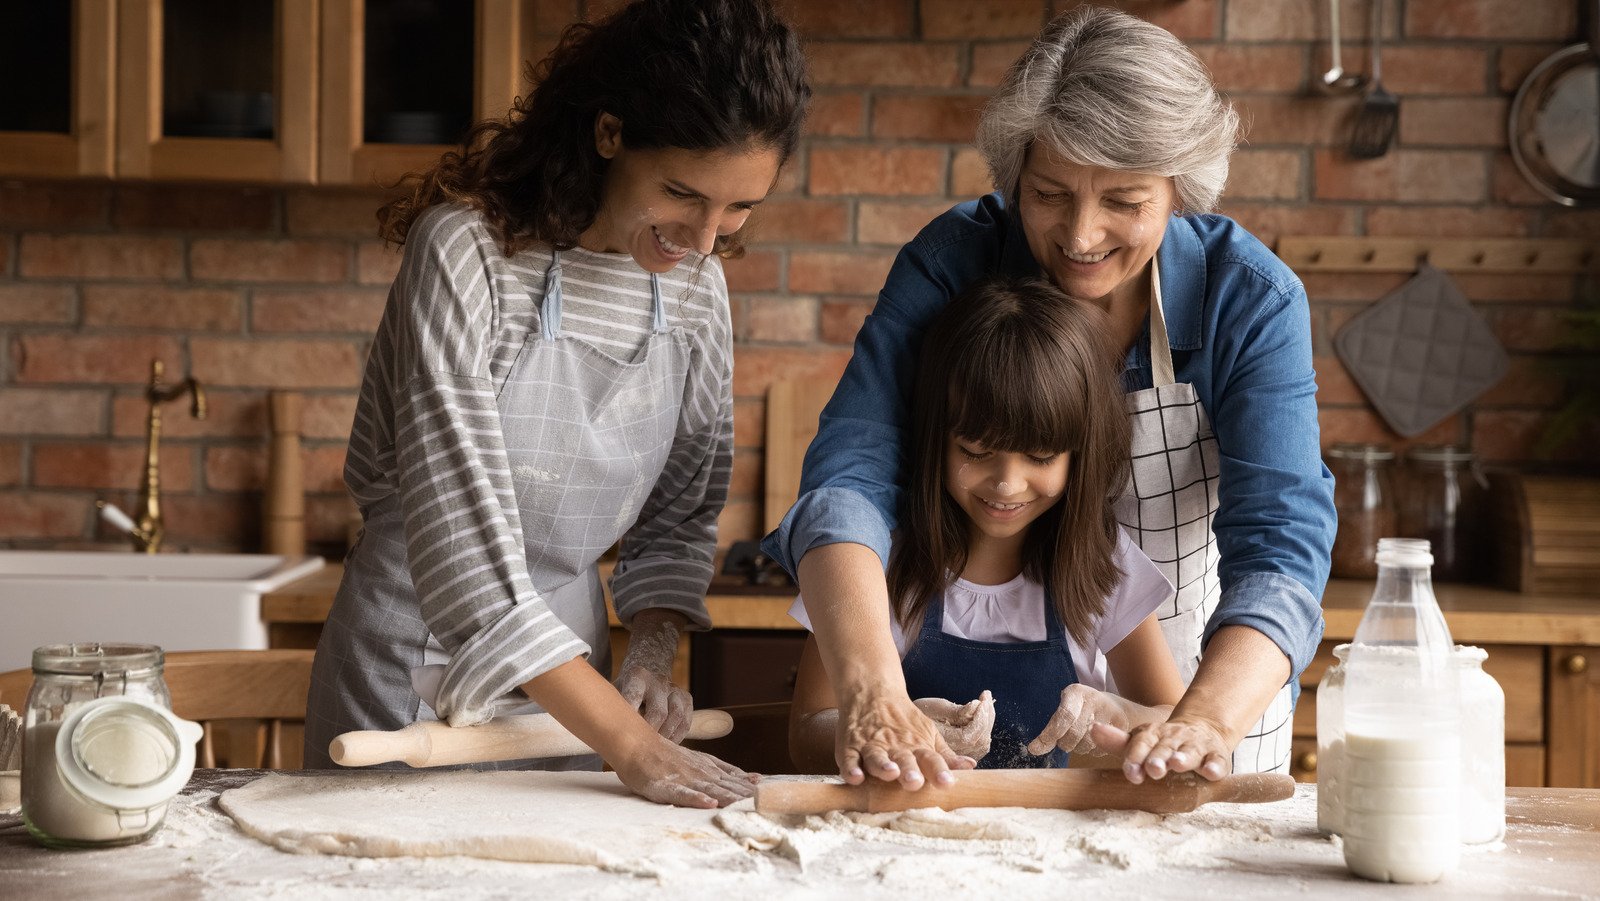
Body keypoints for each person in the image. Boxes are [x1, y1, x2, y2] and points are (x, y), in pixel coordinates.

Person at [763, 6, 1335, 789]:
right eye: (1049, 193)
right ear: (1014, 176)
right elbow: (850, 480)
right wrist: (875, 697)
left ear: (1179, 190)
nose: (1081, 236)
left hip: (1211, 692)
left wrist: (1200, 720)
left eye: (1125, 201)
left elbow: (1280, 546)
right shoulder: (951, 265)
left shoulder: (1250, 300)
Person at [304, 0, 811, 810]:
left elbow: (678, 520)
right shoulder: (465, 253)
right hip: (413, 664)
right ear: (609, 133)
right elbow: (463, 553)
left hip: (575, 689)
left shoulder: (698, 291)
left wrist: (649, 655)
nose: (705, 239)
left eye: (740, 208)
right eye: (681, 193)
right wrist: (631, 744)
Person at [787, 278, 1185, 772]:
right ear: (935, 438)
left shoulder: (1102, 562)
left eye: (1040, 456)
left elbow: (1174, 719)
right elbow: (806, 733)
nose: (1007, 485)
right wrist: (903, 727)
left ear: (1079, 454)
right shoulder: (873, 560)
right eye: (976, 452)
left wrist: (1122, 716)